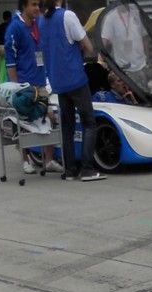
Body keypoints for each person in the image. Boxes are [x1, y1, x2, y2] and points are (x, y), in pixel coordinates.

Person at [40, 0, 106, 180]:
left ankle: (70, 170)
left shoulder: (42, 21)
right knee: (89, 123)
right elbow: (88, 46)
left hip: (58, 81)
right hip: (75, 78)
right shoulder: (67, 16)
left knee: (67, 127)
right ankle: (87, 169)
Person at [6, 0, 66, 173]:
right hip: (24, 85)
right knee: (24, 123)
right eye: (33, 5)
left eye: (38, 5)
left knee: (49, 117)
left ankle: (48, 160)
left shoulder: (37, 23)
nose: (37, 8)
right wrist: (17, 88)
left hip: (40, 82)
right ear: (23, 6)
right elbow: (10, 61)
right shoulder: (15, 28)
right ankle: (25, 160)